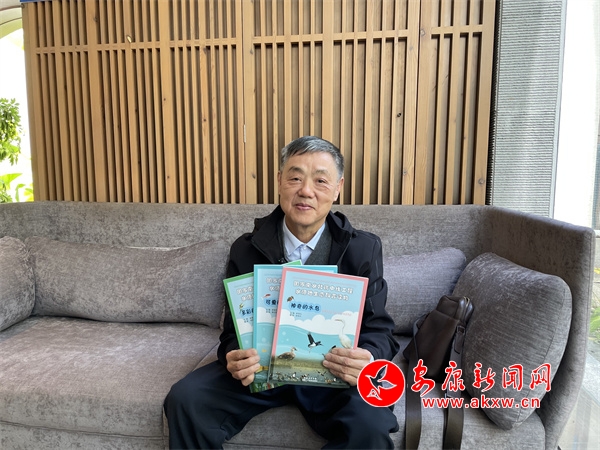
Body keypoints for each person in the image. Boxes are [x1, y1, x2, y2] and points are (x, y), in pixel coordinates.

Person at [164, 136, 400, 449]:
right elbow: (232, 331)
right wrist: (234, 355)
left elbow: (380, 329)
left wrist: (366, 358)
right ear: (279, 181)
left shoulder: (362, 249)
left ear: (338, 188)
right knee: (186, 398)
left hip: (331, 373)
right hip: (262, 374)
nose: (306, 191)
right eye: (295, 178)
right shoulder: (246, 248)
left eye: (320, 180)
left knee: (371, 424)